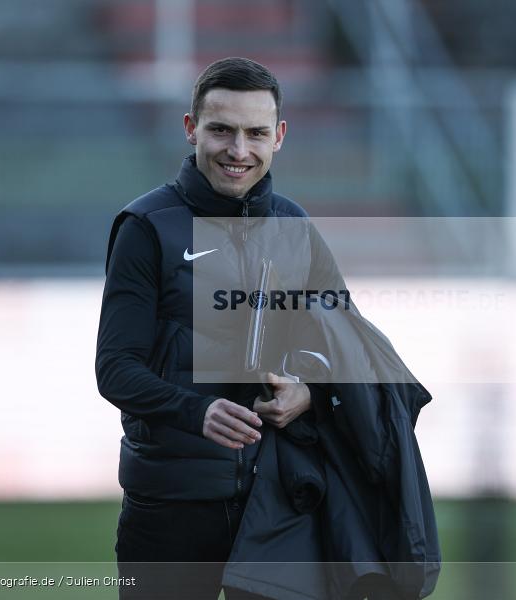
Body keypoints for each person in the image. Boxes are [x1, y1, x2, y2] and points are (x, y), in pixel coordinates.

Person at [96, 57, 439, 600]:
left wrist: (309, 391)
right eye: (221, 131)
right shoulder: (146, 227)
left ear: (279, 136)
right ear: (191, 129)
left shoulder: (294, 226)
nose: (239, 150)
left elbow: (349, 348)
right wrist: (199, 411)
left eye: (256, 133)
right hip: (170, 505)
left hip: (280, 505)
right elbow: (115, 370)